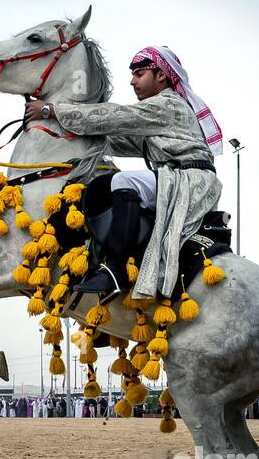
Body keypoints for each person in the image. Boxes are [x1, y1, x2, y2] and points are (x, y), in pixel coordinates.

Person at [29, 45, 223, 298]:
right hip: (178, 178)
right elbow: (123, 142)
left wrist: (52, 110)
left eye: (139, 74)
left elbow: (116, 116)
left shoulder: (167, 104)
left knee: (124, 180)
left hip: (189, 181)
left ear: (161, 75)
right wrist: (74, 137)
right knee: (105, 185)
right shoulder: (157, 116)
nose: (133, 81)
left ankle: (116, 269)